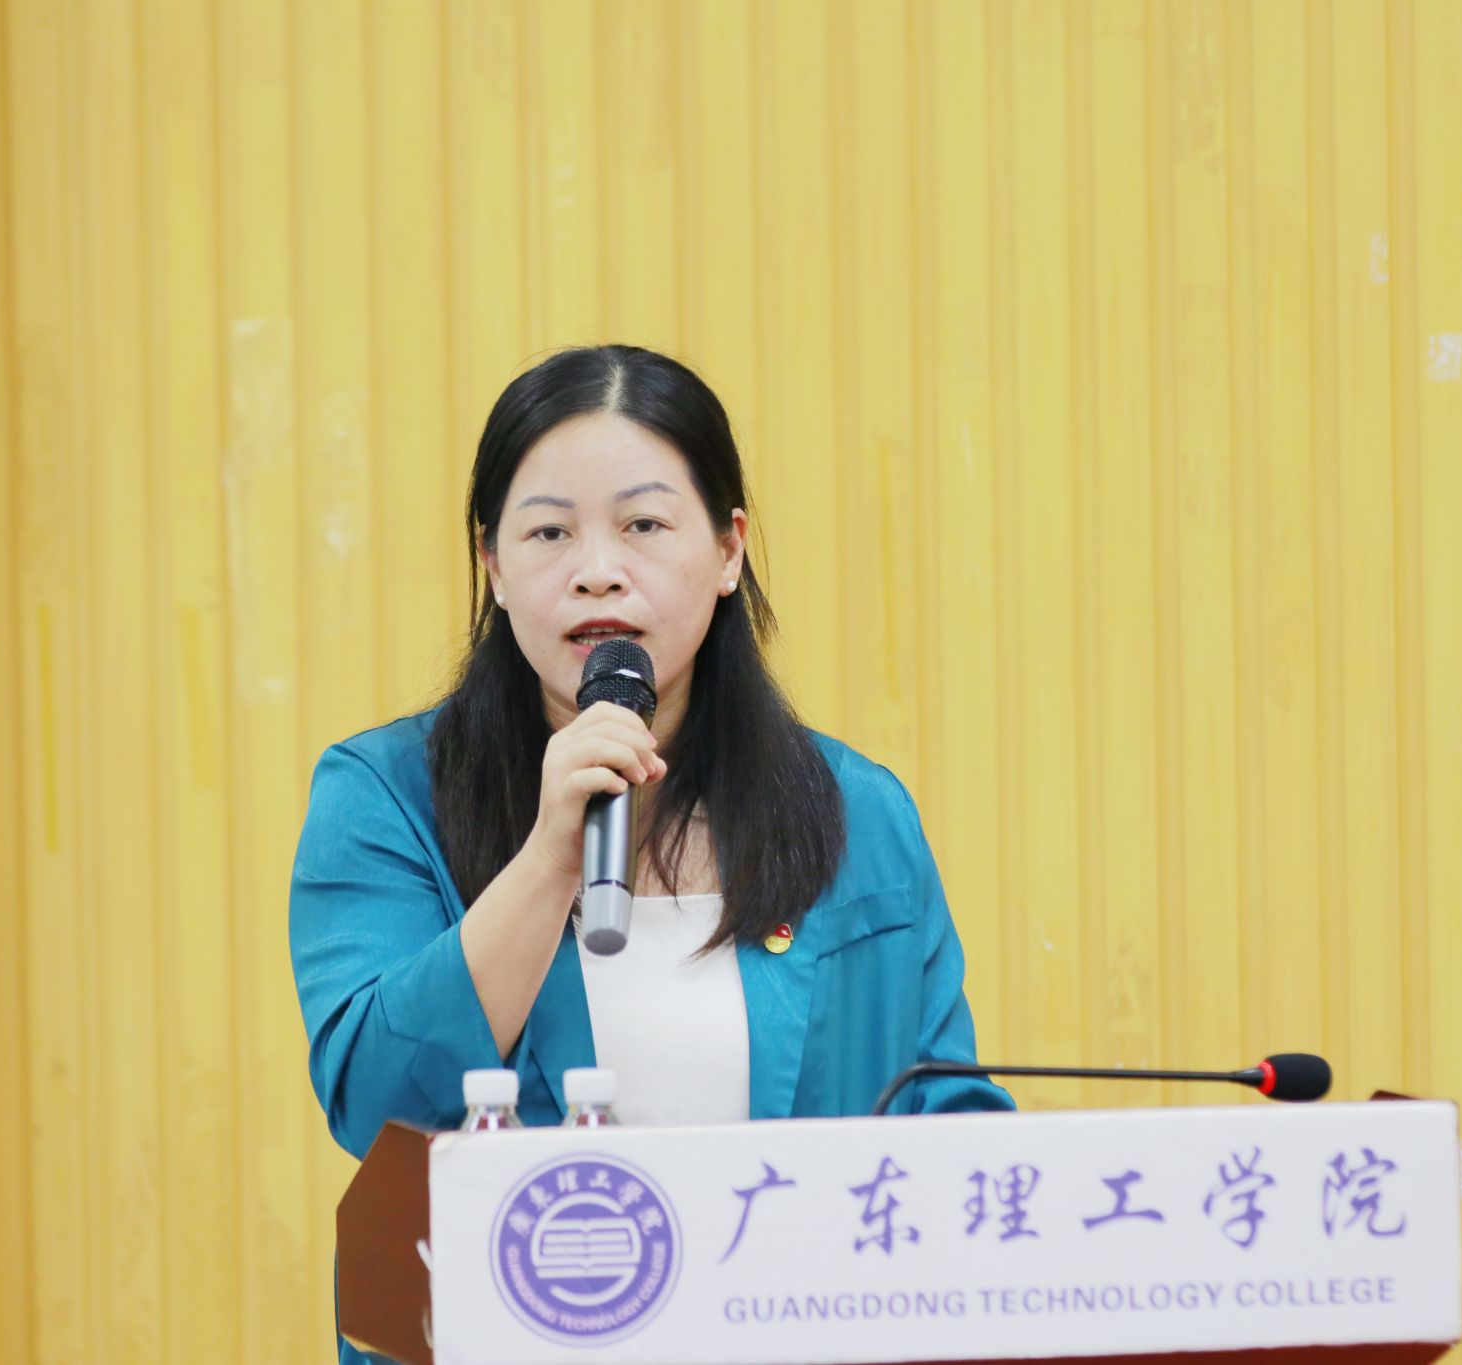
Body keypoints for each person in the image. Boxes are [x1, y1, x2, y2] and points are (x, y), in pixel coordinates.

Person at [290, 341, 1011, 1241]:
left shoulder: (857, 811)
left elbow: (951, 1126)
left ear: (727, 550)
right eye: (549, 533)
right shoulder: (385, 799)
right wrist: (548, 859)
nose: (597, 569)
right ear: (494, 566)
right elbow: (376, 1107)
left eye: (643, 525)